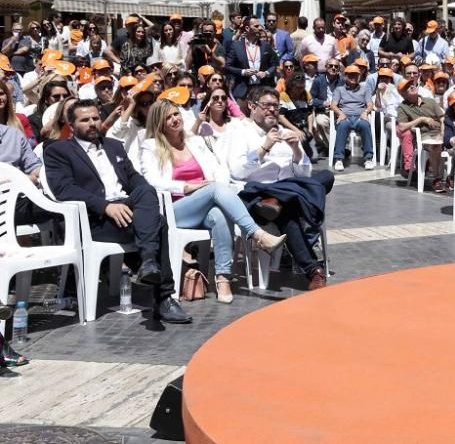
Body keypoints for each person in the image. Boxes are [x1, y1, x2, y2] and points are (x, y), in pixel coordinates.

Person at [44, 99, 192, 323]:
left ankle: (150, 263)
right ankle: (163, 296)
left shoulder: (113, 146)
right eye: (85, 120)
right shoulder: (58, 150)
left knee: (145, 191)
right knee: (159, 223)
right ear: (71, 125)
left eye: (95, 118)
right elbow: (64, 190)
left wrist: (140, 192)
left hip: (128, 209)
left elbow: (134, 179)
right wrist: (105, 206)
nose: (92, 123)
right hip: (94, 218)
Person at [140, 100, 286, 303]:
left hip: (205, 202)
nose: (175, 119)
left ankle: (223, 278)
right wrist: (186, 187)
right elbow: (151, 181)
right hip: (175, 209)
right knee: (215, 190)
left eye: (176, 114)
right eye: (168, 117)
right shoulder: (151, 146)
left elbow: (219, 169)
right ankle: (257, 234)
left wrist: (214, 185)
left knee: (218, 213)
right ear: (159, 123)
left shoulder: (194, 141)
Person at [223, 86, 334, 290]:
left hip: (288, 192)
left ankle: (279, 201)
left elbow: (304, 175)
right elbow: (237, 171)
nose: (272, 110)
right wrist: (264, 147)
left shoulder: (285, 133)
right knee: (290, 208)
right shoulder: (239, 132)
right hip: (258, 193)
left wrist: (295, 150)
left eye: (276, 106)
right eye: (266, 106)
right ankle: (313, 270)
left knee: (326, 176)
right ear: (251, 106)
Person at [395, 78, 446, 192]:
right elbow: (402, 126)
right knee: (434, 145)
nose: (412, 87)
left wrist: (442, 133)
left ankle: (452, 177)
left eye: (412, 85)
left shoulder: (430, 102)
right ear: (403, 94)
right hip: (424, 135)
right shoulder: (403, 107)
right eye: (407, 87)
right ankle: (436, 179)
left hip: (441, 133)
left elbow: (442, 119)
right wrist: (421, 119)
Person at [329, 65, 375, 171]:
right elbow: (333, 105)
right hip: (345, 116)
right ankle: (339, 159)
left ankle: (368, 158)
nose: (353, 77)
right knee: (343, 125)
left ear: (359, 76)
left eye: (356, 75)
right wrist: (340, 113)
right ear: (345, 76)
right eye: (350, 75)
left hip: (359, 116)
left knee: (365, 125)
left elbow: (370, 104)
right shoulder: (339, 90)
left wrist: (366, 112)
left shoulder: (365, 89)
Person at [225, 18, 277, 111]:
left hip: (261, 90)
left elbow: (274, 65)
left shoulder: (265, 46)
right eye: (256, 26)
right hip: (243, 91)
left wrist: (266, 73)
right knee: (242, 121)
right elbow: (227, 67)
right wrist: (243, 72)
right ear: (248, 28)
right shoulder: (236, 46)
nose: (260, 28)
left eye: (260, 26)